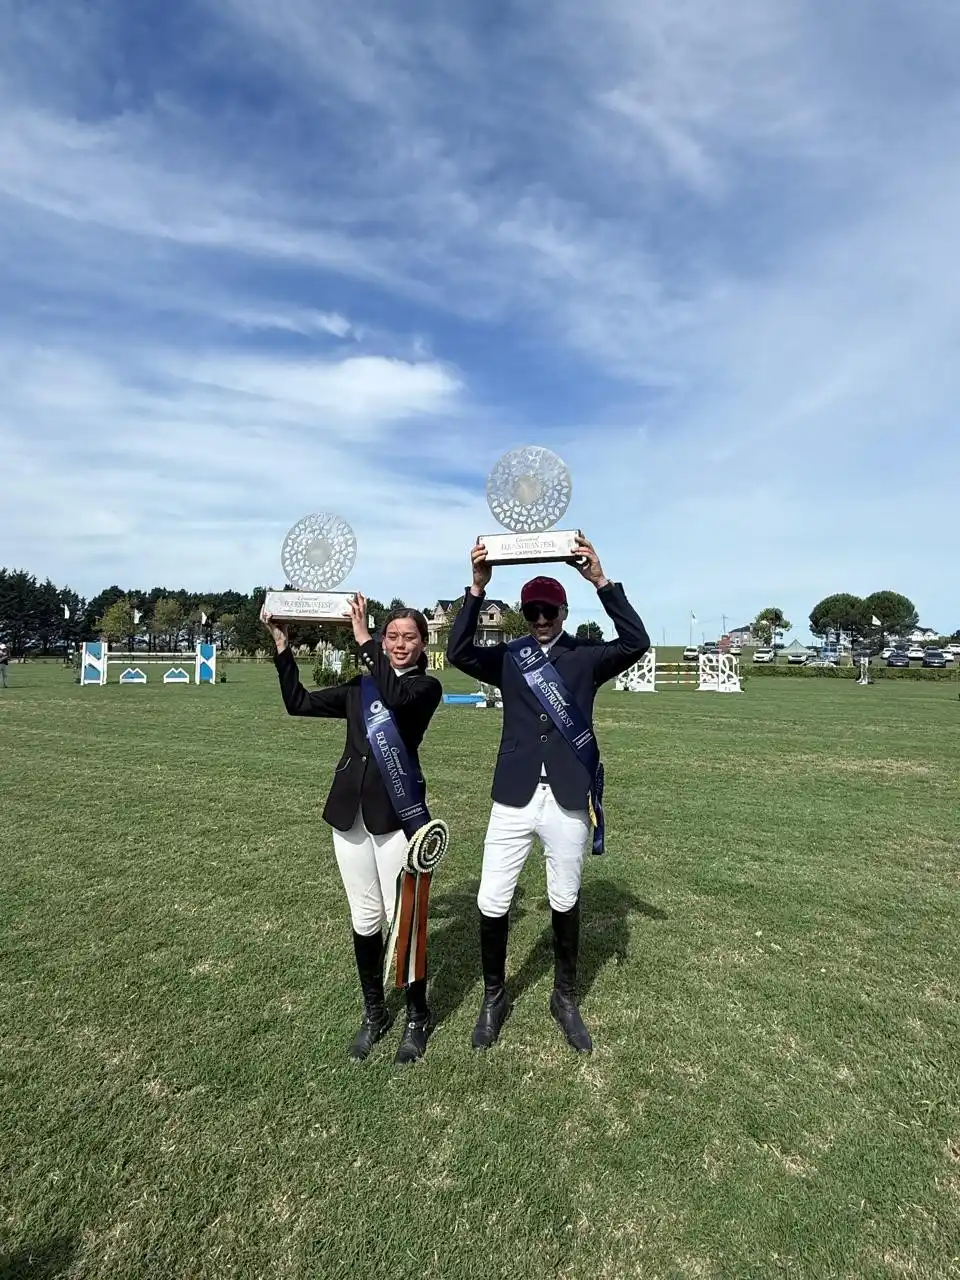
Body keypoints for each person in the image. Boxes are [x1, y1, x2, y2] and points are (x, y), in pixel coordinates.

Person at [446, 535, 650, 1054]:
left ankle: (564, 997)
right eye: (532, 611)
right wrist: (476, 588)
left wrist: (600, 580)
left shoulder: (585, 656)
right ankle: (494, 998)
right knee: (492, 900)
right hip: (513, 796)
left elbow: (636, 643)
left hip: (566, 797)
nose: (541, 619)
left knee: (564, 897)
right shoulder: (509, 656)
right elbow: (458, 651)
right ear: (523, 613)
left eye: (549, 610)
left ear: (563, 610)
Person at [261, 595, 443, 1065]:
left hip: (394, 818)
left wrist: (364, 640)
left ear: (423, 646)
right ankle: (375, 1012)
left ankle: (417, 1017)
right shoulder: (361, 687)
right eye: (393, 636)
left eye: (409, 638)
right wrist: (283, 647)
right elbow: (297, 704)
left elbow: (396, 698)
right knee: (365, 917)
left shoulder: (426, 688)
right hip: (349, 817)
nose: (400, 644)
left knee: (402, 919)